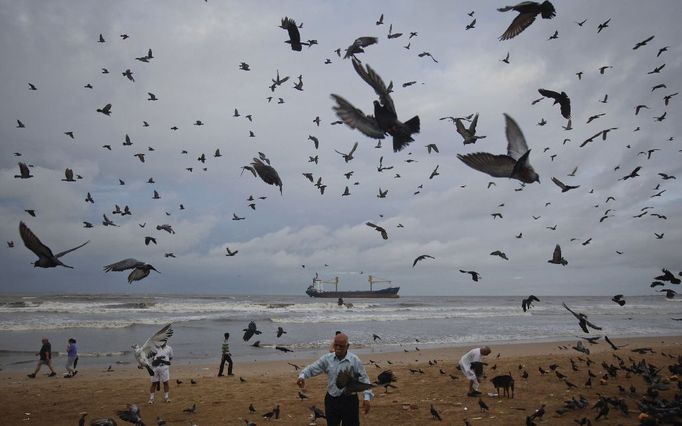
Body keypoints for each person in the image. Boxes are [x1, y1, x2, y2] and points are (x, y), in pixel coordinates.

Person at [297, 333, 372, 425]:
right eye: (336, 345)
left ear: (347, 346)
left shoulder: (355, 360)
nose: (338, 348)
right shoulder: (327, 359)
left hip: (350, 401)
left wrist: (367, 397)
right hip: (332, 400)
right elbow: (313, 368)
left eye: (341, 346)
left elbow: (364, 379)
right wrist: (302, 376)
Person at [148, 340, 173, 404]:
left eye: (164, 340)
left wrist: (164, 362)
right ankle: (151, 399)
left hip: (164, 368)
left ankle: (166, 397)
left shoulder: (169, 348)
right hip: (155, 368)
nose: (163, 342)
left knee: (166, 382)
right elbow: (150, 357)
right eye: (161, 340)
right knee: (154, 383)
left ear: (166, 341)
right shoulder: (154, 348)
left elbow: (170, 357)